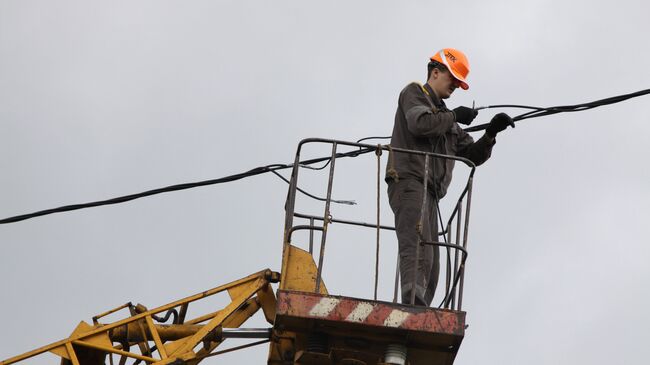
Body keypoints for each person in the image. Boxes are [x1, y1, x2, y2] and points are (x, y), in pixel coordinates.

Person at [386, 48, 514, 306]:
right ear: (435, 72)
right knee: (417, 246)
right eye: (452, 79)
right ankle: (412, 307)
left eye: (458, 82)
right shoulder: (414, 93)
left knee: (432, 261)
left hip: (431, 194)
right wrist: (454, 115)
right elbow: (419, 124)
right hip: (409, 182)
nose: (455, 86)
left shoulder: (448, 122)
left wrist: (491, 133)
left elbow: (471, 155)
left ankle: (420, 308)